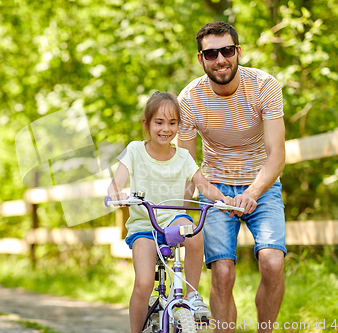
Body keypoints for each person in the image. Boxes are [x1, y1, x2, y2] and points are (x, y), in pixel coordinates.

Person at [177, 22, 286, 332]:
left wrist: (251, 193)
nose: (220, 59)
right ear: (201, 59)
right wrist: (184, 211)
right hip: (215, 188)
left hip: (261, 185)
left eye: (226, 50)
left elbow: (277, 155)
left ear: (238, 52)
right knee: (222, 272)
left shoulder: (264, 86)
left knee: (272, 263)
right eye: (211, 54)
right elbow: (187, 164)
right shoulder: (189, 99)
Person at [107, 91, 237, 333]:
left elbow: (204, 186)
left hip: (173, 219)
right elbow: (116, 184)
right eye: (159, 122)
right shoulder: (135, 150)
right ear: (146, 124)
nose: (166, 128)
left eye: (172, 123)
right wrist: (116, 194)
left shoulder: (184, 157)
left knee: (195, 233)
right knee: (144, 283)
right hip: (145, 226)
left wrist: (224, 200)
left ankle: (191, 296)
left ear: (179, 124)